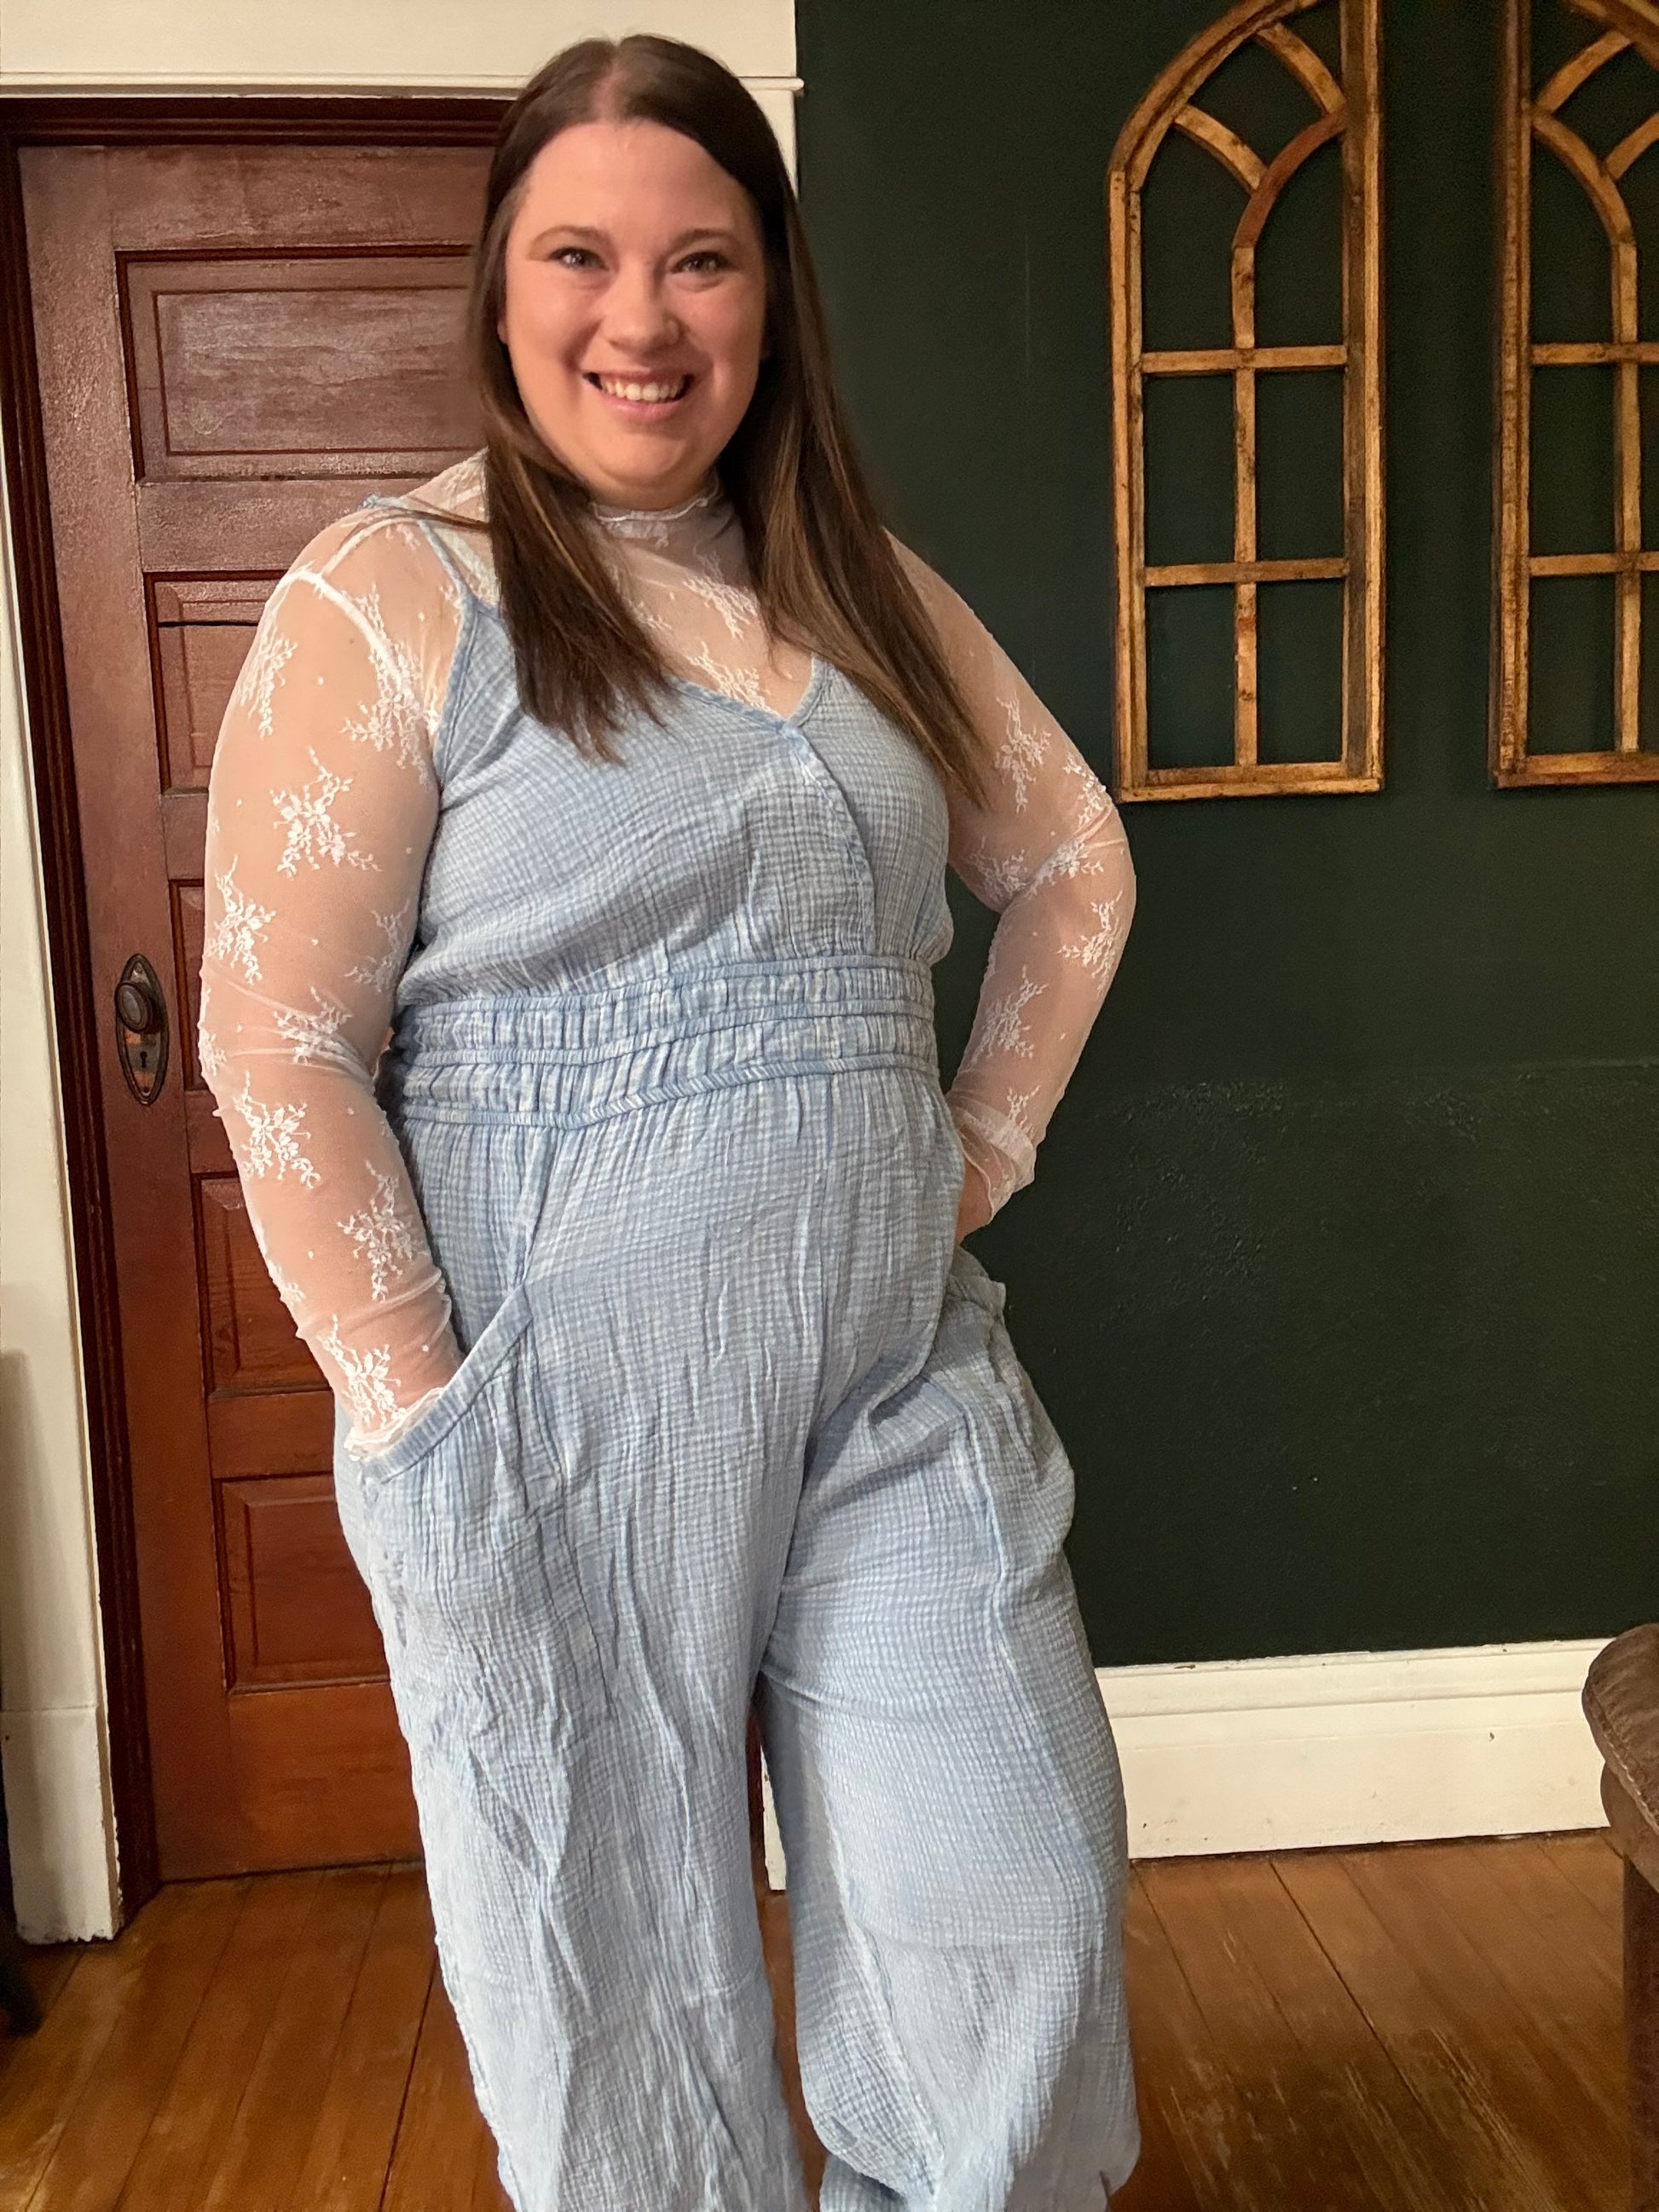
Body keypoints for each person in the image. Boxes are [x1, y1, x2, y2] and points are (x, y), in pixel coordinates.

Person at [198, 31, 1139, 2212]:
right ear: (500, 286)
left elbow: (1074, 863)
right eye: (581, 256)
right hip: (549, 1399)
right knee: (616, 1989)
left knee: (1015, 1883)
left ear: (771, 292)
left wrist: (971, 1153)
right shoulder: (394, 590)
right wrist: (428, 1408)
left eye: (701, 258)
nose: (642, 316)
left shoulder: (860, 585)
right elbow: (279, 1041)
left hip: (891, 1372)